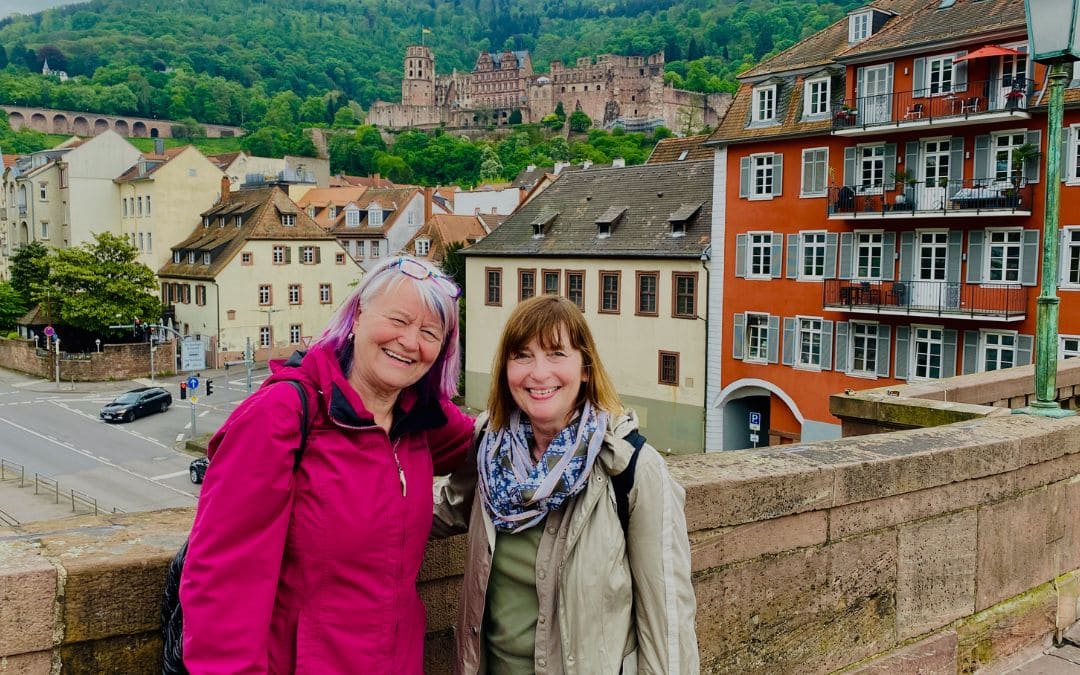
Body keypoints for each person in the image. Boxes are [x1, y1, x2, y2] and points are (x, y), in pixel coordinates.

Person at [181, 255, 474, 674]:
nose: (410, 342)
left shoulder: (419, 418)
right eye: (398, 320)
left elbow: (491, 442)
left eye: (430, 332)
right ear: (356, 317)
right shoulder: (281, 415)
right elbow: (222, 584)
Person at [435, 295, 699, 674]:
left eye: (557, 354)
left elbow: (668, 625)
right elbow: (440, 511)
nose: (538, 373)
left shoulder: (631, 468)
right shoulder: (489, 447)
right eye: (522, 355)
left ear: (585, 368)